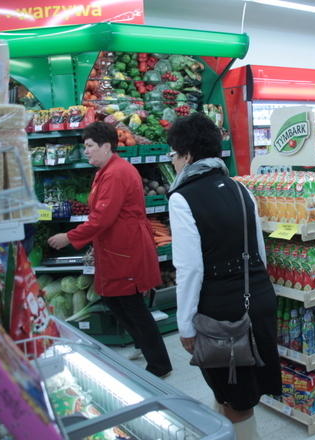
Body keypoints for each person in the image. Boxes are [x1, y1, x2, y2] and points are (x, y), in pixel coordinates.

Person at [167, 112, 281, 440]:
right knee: (235, 391)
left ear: (187, 155)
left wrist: (185, 325)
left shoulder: (182, 197)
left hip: (221, 312)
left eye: (174, 154)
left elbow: (189, 269)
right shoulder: (240, 189)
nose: (173, 161)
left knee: (236, 398)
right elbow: (259, 251)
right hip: (258, 299)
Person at [47, 121, 172, 378]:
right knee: (114, 300)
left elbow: (101, 218)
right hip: (116, 247)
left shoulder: (116, 173)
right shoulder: (107, 170)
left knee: (132, 305)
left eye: (89, 146)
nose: (86, 151)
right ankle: (142, 343)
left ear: (106, 146)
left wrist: (69, 237)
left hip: (125, 248)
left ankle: (160, 365)